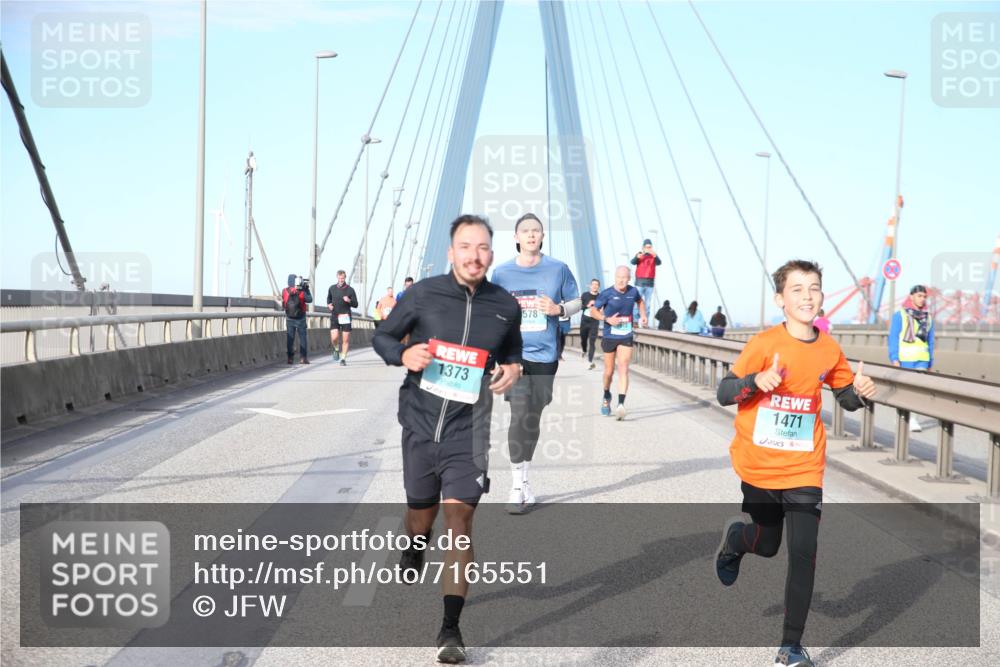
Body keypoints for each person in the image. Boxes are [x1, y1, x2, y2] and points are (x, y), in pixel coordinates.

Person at [373, 214, 522, 663]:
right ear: (451, 252)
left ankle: (450, 629)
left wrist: (513, 368)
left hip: (468, 432)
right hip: (420, 426)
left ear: (491, 254)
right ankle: (416, 545)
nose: (474, 255)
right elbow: (381, 336)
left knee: (460, 523)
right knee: (421, 517)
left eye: (482, 247)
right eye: (465, 246)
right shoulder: (423, 294)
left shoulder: (505, 306)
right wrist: (403, 353)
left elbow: (512, 352)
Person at [714, 259, 876, 667]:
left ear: (822, 296)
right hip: (759, 464)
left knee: (804, 552)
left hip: (805, 466)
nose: (807, 296)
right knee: (767, 545)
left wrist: (859, 392)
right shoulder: (764, 344)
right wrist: (755, 382)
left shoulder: (828, 348)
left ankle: (790, 647)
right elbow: (724, 392)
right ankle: (736, 541)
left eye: (814, 288)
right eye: (797, 289)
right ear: (780, 299)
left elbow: (844, 396)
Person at [491, 212, 581, 514]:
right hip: (513, 357)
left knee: (532, 417)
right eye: (525, 231)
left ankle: (525, 478)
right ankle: (516, 485)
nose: (531, 235)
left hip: (545, 355)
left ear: (542, 236)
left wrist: (559, 309)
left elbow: (578, 301)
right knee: (518, 415)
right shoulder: (501, 273)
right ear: (516, 237)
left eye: (536, 231)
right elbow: (493, 313)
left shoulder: (558, 269)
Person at [591, 265, 647, 421]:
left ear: (629, 279)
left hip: (626, 334)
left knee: (623, 367)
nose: (621, 281)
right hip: (610, 335)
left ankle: (621, 404)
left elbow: (640, 302)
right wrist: (606, 319)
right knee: (609, 372)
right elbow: (593, 311)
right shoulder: (606, 293)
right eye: (619, 277)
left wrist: (643, 315)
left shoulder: (633, 291)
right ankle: (606, 394)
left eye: (624, 278)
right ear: (615, 277)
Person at [888, 284, 934, 432]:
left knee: (918, 390)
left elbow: (930, 341)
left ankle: (913, 419)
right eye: (919, 296)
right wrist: (894, 358)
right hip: (905, 359)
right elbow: (893, 337)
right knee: (904, 390)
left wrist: (930, 362)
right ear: (911, 297)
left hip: (922, 360)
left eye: (924, 297)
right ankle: (901, 416)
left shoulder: (928, 317)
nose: (922, 299)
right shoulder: (900, 315)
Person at [327, 270, 358, 366]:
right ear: (337, 277)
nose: (341, 280)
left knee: (345, 340)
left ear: (345, 278)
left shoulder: (350, 290)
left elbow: (356, 304)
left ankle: (343, 359)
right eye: (340, 278)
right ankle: (336, 349)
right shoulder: (332, 288)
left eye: (343, 278)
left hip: (346, 316)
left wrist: (349, 300)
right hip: (335, 316)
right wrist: (329, 305)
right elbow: (328, 299)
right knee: (334, 337)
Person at [281, 274, 313, 364]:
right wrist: (306, 289)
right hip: (301, 318)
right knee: (302, 338)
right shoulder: (302, 291)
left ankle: (290, 358)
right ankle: (303, 358)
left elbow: (284, 300)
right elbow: (309, 300)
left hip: (289, 317)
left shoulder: (284, 291)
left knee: (290, 338)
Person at [630, 238, 662, 326]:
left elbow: (659, 263)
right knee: (637, 303)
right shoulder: (640, 254)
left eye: (650, 247)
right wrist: (636, 257)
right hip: (639, 283)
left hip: (650, 284)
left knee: (647, 304)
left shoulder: (653, 256)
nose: (648, 248)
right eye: (647, 247)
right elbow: (632, 262)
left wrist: (655, 256)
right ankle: (635, 321)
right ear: (643, 247)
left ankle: (645, 321)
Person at [580, 279, 601, 369]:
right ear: (590, 285)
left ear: (598, 286)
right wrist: (587, 305)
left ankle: (590, 361)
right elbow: (580, 307)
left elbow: (603, 308)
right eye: (593, 284)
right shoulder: (585, 295)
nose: (595, 286)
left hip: (594, 321)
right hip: (585, 320)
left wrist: (597, 306)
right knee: (583, 339)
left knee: (592, 342)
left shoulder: (601, 296)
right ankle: (584, 350)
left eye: (596, 284)